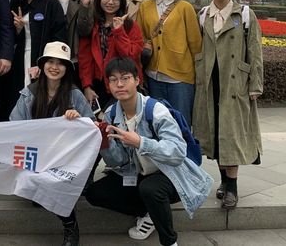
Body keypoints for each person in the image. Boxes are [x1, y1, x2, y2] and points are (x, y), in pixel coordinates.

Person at [85, 57, 213, 246]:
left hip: (170, 174)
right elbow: (118, 161)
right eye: (113, 80)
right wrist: (105, 143)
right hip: (136, 173)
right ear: (108, 85)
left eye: (125, 78)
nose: (119, 84)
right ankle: (149, 212)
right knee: (94, 193)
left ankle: (170, 242)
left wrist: (141, 143)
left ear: (137, 80)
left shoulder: (156, 110)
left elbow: (178, 152)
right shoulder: (111, 114)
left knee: (151, 188)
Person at [193, 0, 263, 210]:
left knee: (231, 133)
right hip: (210, 81)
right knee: (216, 133)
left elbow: (255, 50)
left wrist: (255, 84)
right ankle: (224, 181)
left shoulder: (244, 14)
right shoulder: (203, 14)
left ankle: (232, 187)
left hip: (234, 82)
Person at [10, 41, 94, 246]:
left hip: (65, 159)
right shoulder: (29, 93)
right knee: (35, 180)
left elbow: (92, 129)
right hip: (35, 157)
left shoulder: (75, 95)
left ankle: (70, 226)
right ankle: (42, 195)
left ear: (67, 68)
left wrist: (78, 121)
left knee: (52, 182)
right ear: (43, 64)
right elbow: (14, 125)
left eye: (61, 63)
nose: (55, 67)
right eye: (50, 62)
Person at [136, 0, 202, 126]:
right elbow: (141, 38)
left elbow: (195, 44)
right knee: (157, 123)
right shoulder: (145, 6)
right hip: (153, 75)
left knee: (181, 123)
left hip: (180, 77)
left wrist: (198, 75)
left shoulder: (185, 7)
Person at [2, 0, 67, 121]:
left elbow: (59, 37)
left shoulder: (51, 4)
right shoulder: (17, 5)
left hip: (41, 60)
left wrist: (45, 62)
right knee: (18, 100)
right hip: (19, 61)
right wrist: (18, 30)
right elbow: (8, 37)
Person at [79, 0, 144, 112]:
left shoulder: (130, 26)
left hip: (122, 84)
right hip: (98, 84)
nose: (110, 2)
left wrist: (119, 31)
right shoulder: (94, 24)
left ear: (122, 1)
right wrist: (87, 86)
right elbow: (85, 57)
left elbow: (130, 56)